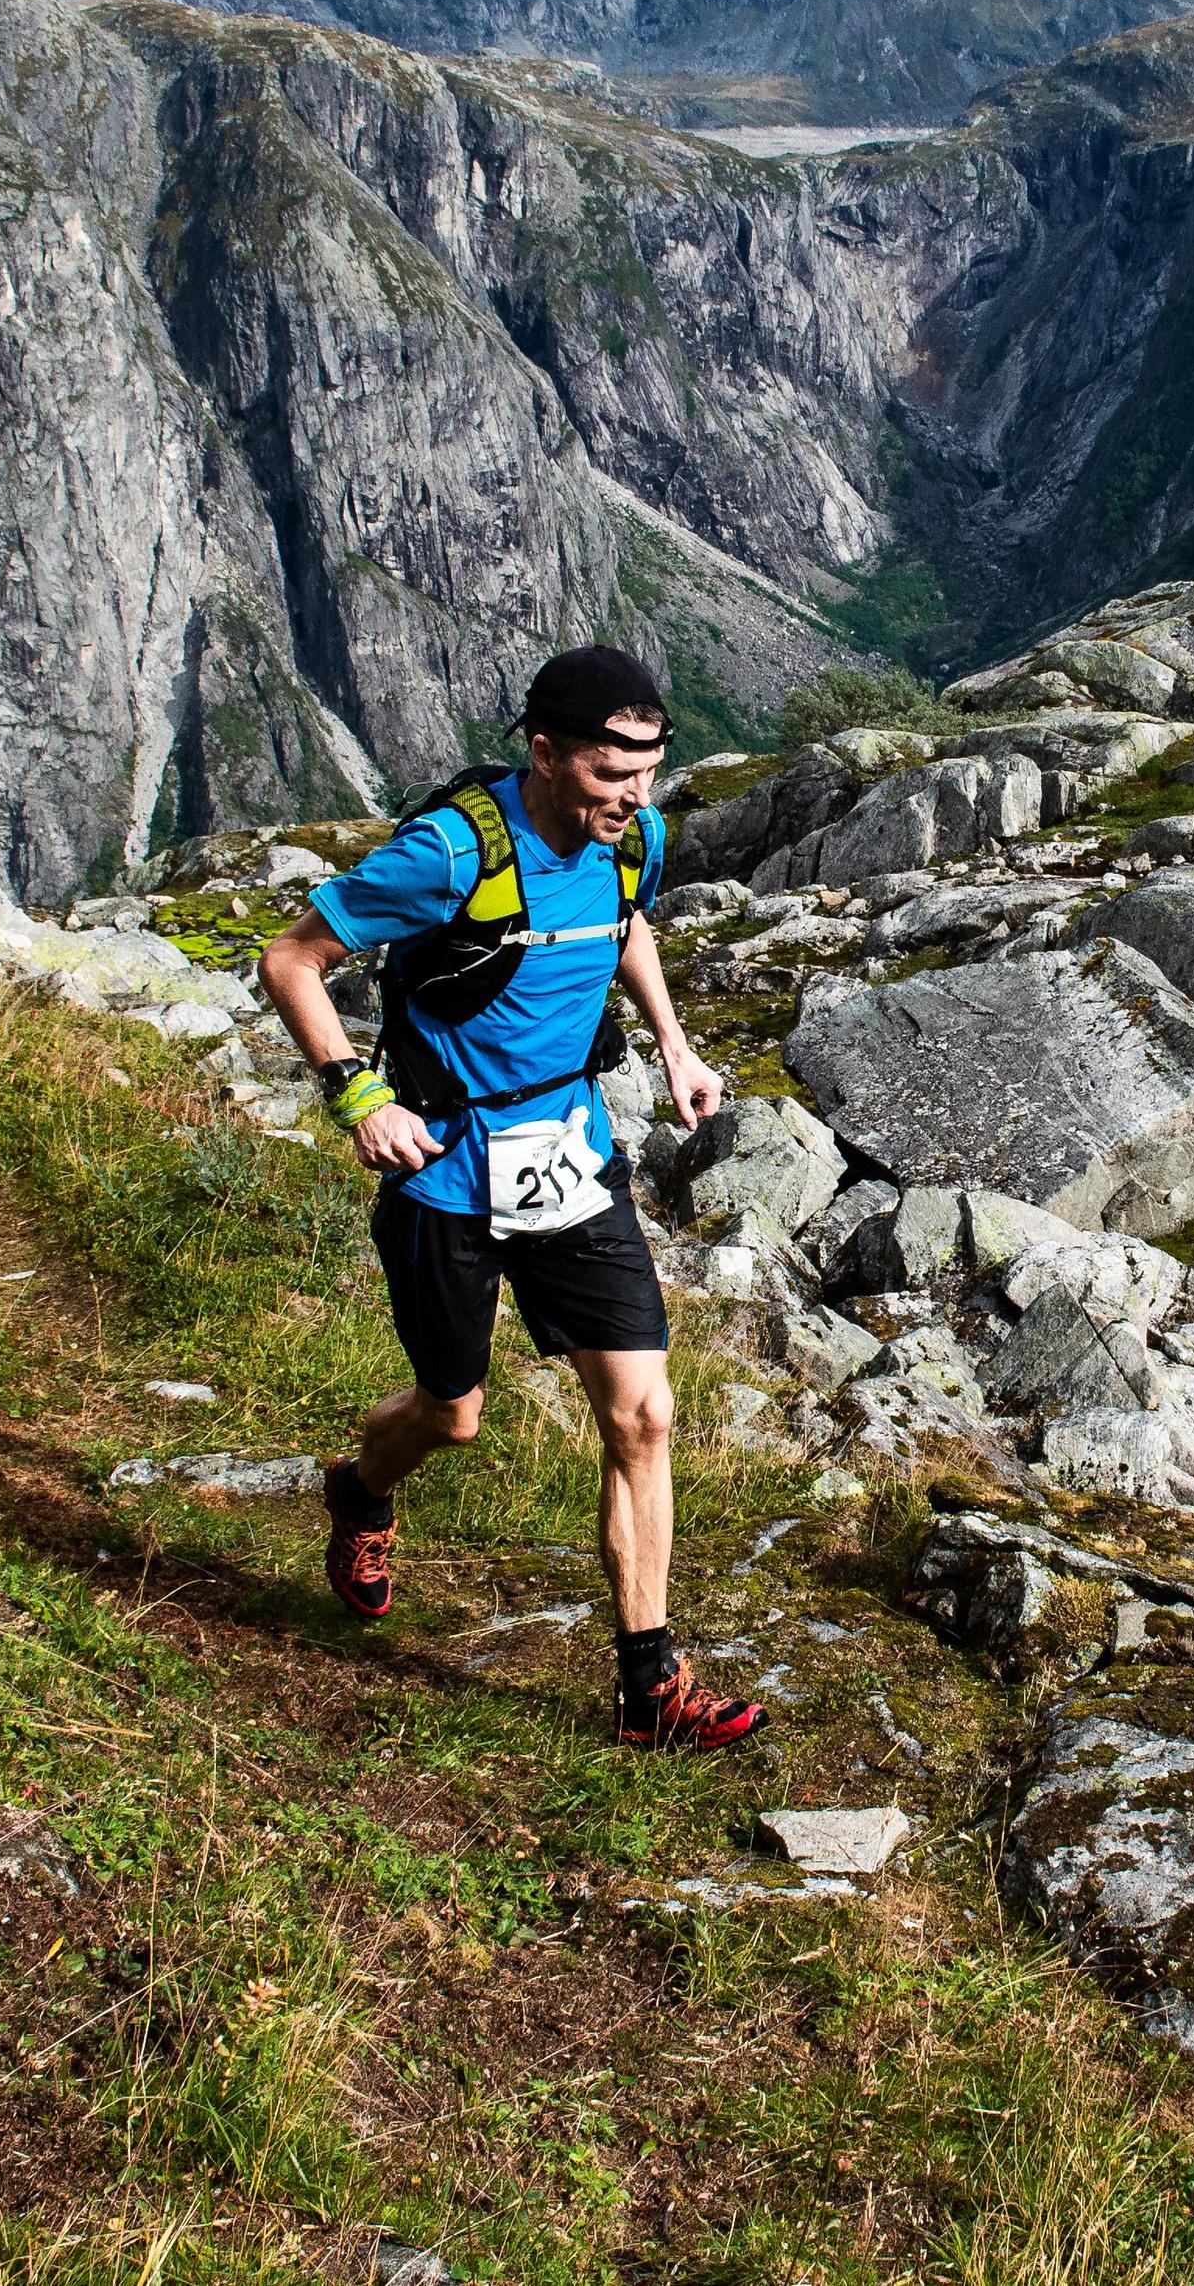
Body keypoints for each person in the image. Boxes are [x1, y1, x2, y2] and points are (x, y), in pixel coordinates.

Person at [256, 646, 762, 1753]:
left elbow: (626, 921)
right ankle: (358, 1489)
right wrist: (358, 1096)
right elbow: (290, 959)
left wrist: (675, 1044)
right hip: (441, 1167)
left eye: (648, 774)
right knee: (454, 1414)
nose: (632, 799)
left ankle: (649, 1690)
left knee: (643, 1414)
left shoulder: (639, 841)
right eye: (608, 774)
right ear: (544, 753)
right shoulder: (449, 854)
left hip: (569, 1155)